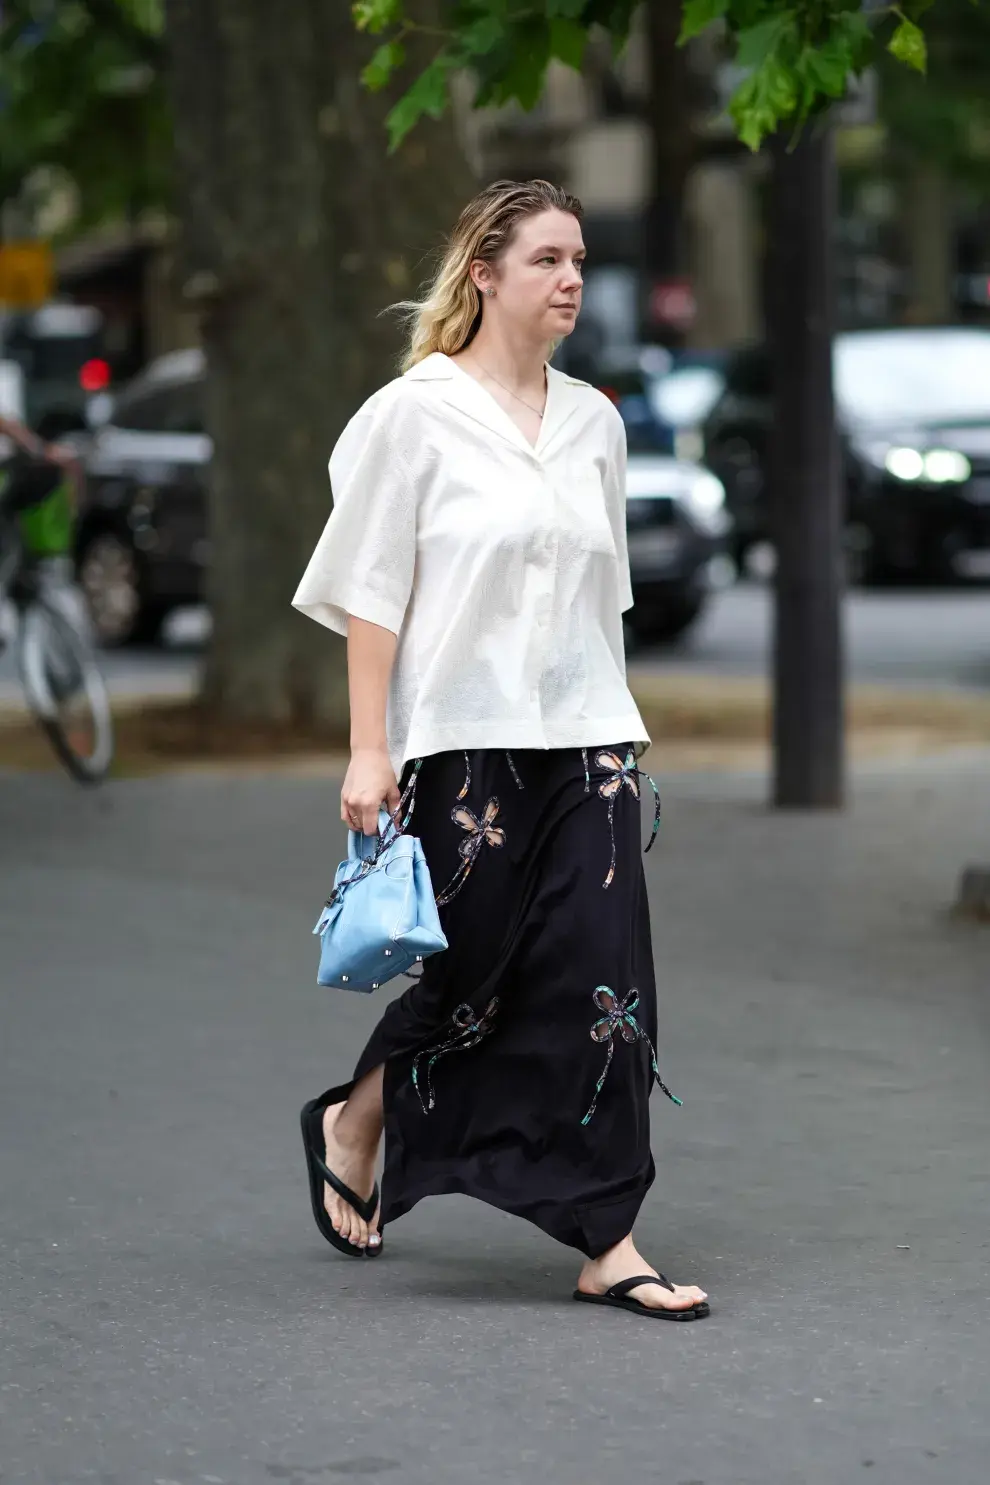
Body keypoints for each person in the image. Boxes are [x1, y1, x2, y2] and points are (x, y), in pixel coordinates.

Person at [292, 179, 709, 1322]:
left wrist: (612, 721)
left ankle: (608, 1234)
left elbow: (600, 601)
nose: (570, 279)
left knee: (605, 981)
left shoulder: (598, 423)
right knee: (472, 977)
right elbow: (371, 594)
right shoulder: (412, 415)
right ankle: (358, 1117)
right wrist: (367, 749)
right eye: (546, 260)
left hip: (589, 742)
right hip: (461, 743)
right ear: (484, 271)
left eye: (578, 261)